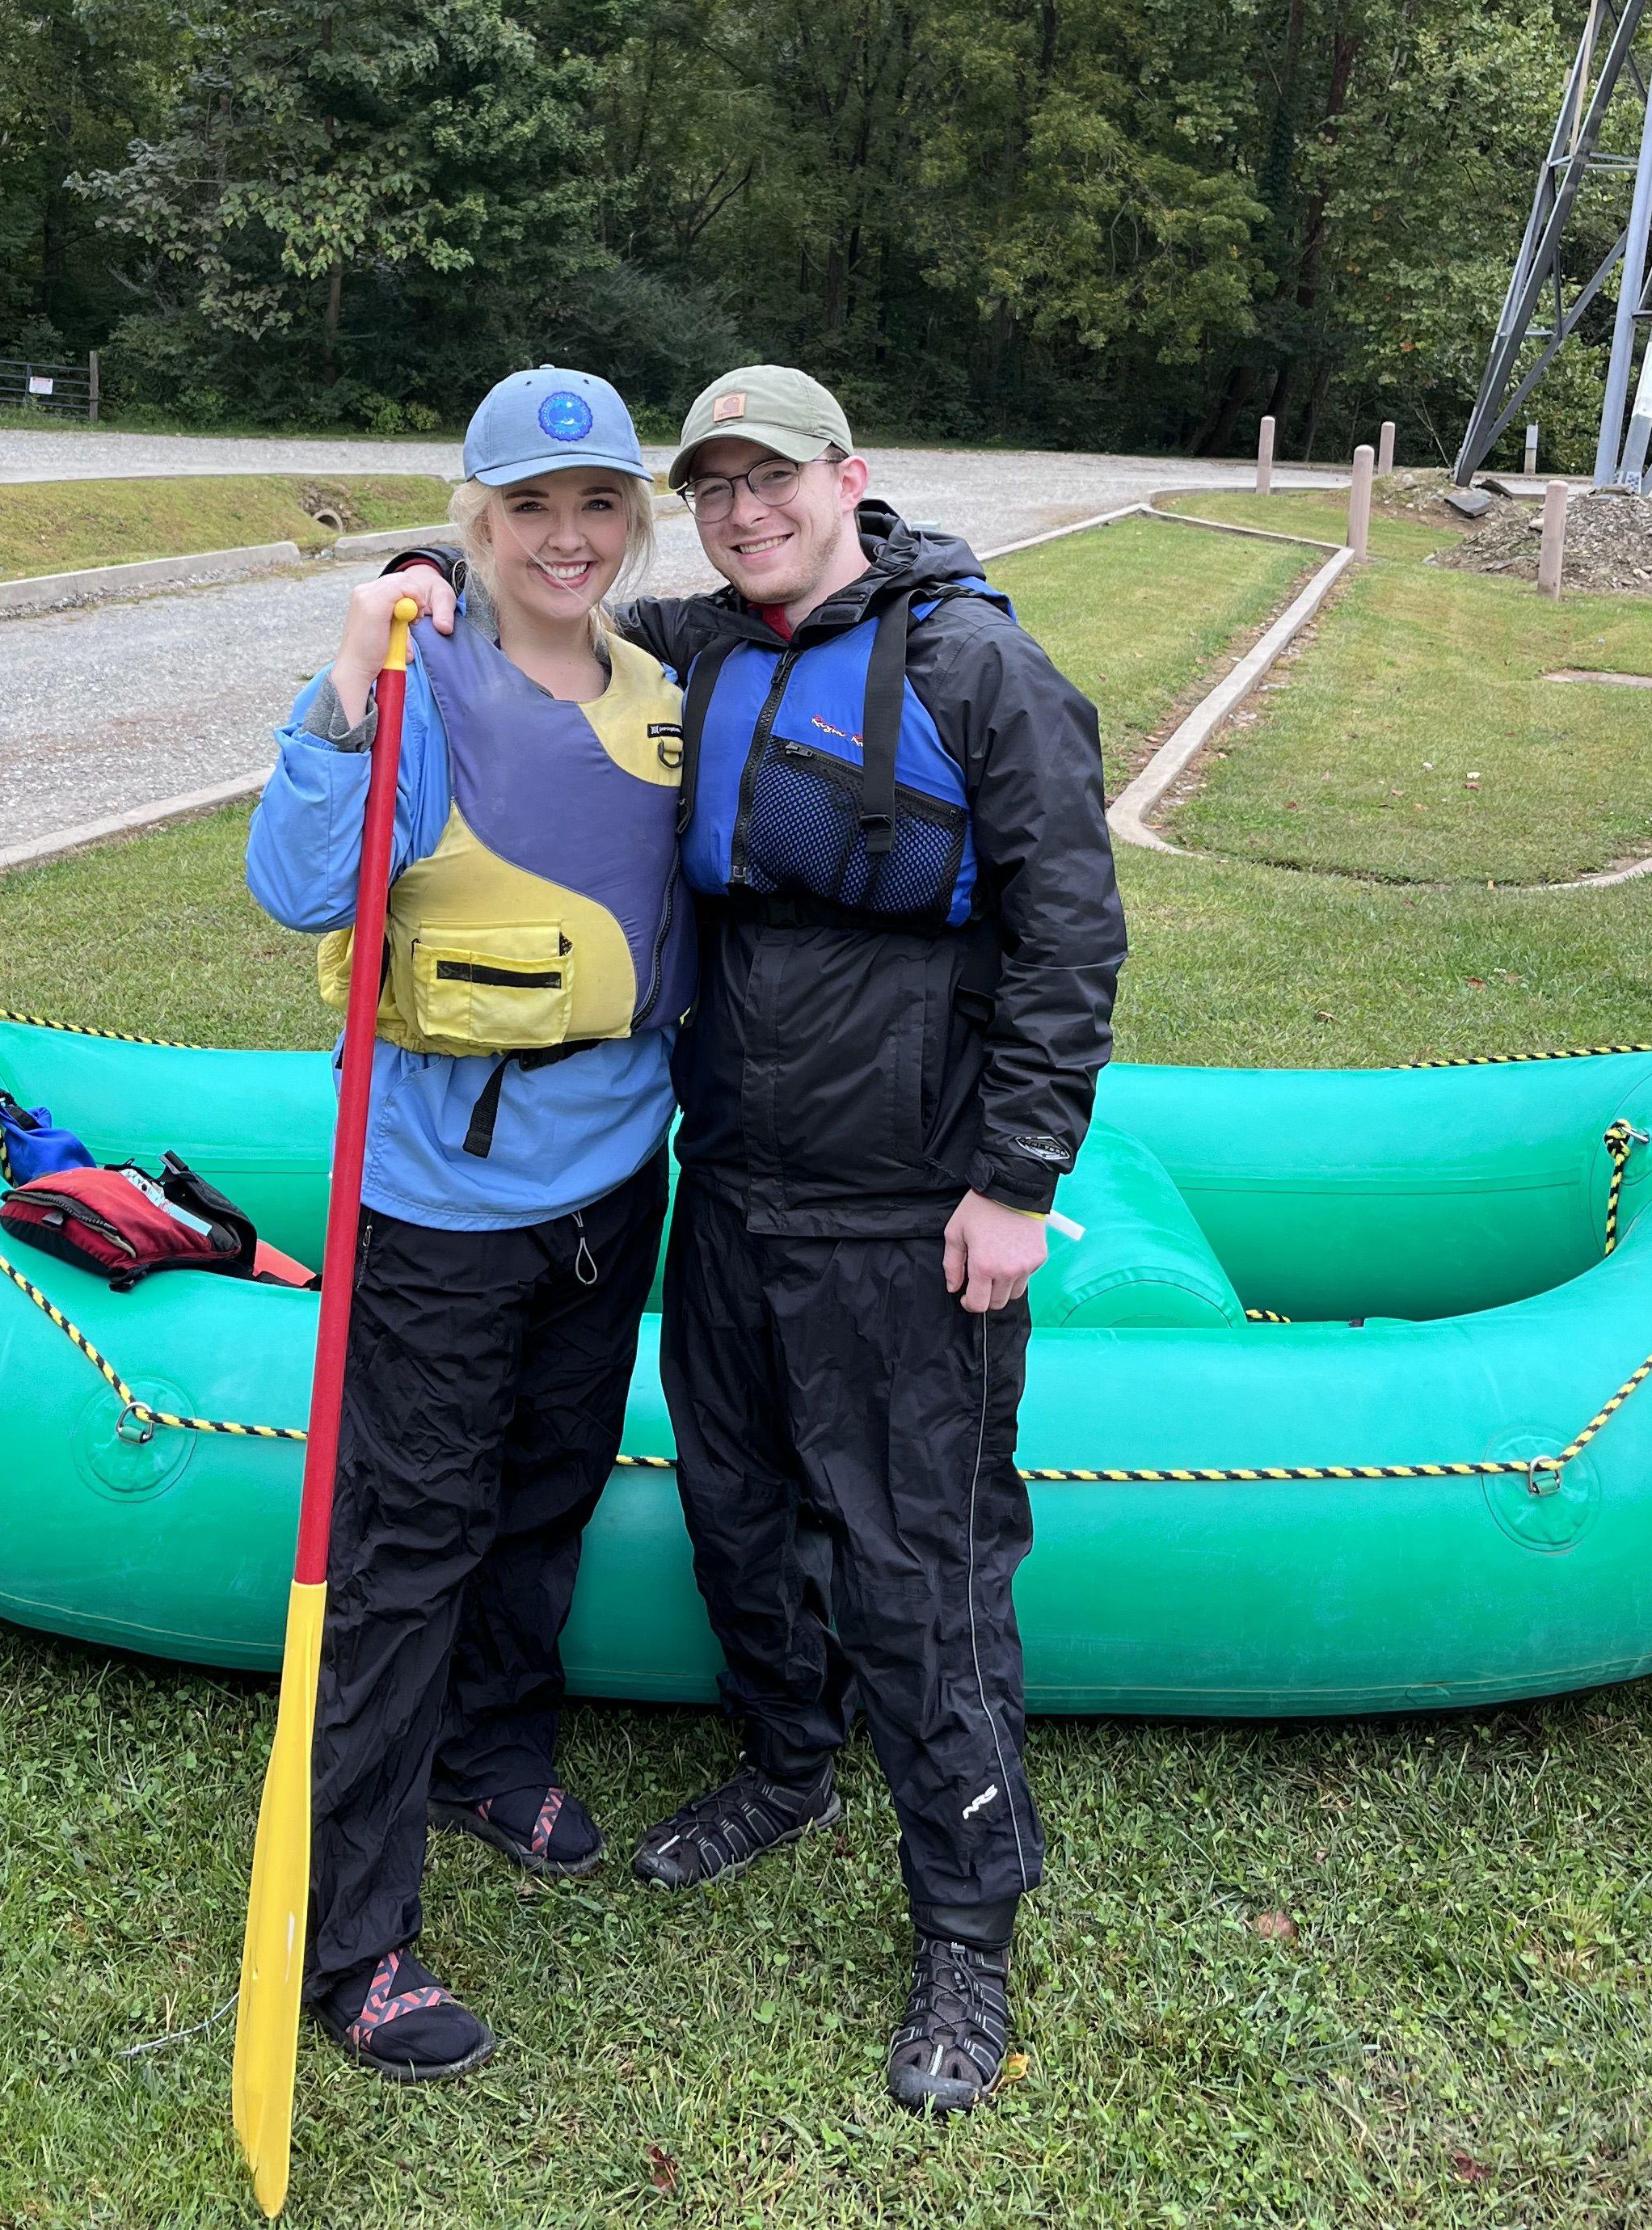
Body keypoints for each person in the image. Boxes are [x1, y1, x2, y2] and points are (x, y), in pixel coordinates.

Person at [386, 362, 1125, 2110]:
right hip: (728, 1186)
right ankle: (787, 1764)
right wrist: (421, 575)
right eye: (713, 486)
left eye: (771, 480)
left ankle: (967, 1929)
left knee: (917, 1569)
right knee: (737, 1517)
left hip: (909, 1209)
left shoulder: (977, 668)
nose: (743, 512)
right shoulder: (703, 650)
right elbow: (536, 585)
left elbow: (1071, 939)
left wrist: (1017, 1180)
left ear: (847, 477)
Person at [241, 366, 691, 2085]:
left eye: (594, 507)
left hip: (608, 1182)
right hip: (437, 1209)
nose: (565, 539)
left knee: (548, 1494)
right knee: (409, 1550)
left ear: (625, 523)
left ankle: (493, 1755)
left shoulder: (659, 691)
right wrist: (346, 688)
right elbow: (300, 891)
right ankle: (359, 1943)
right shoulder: (418, 690)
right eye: (528, 510)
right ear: (478, 522)